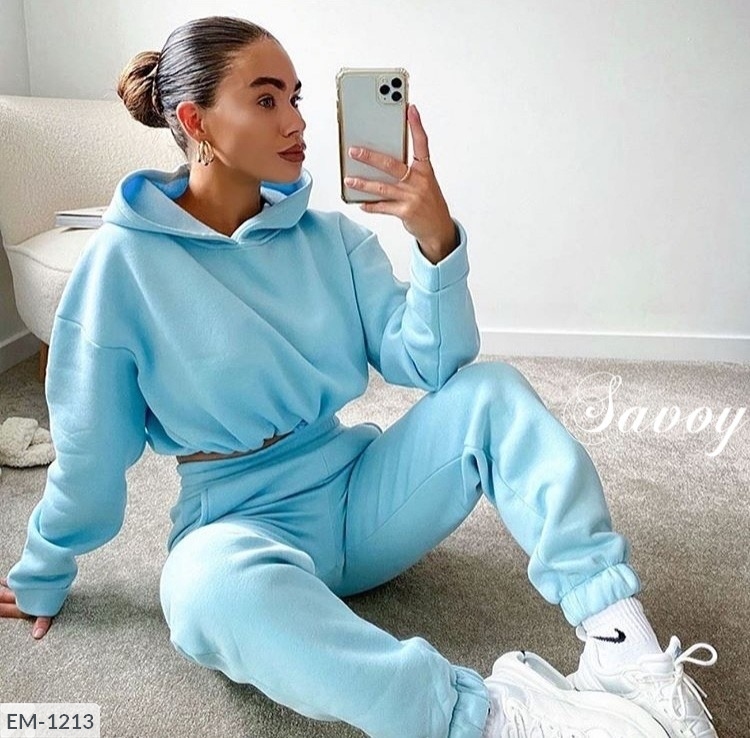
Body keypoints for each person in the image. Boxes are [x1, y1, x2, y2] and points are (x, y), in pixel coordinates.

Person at [0, 15, 718, 738]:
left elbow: (431, 364)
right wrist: (43, 570)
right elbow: (90, 451)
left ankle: (624, 650)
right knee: (198, 591)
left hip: (364, 500)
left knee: (492, 393)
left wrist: (435, 239)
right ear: (197, 122)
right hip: (239, 524)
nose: (296, 121)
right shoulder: (120, 268)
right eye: (267, 99)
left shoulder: (331, 239)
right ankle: (488, 717)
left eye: (296, 98)